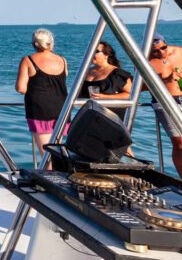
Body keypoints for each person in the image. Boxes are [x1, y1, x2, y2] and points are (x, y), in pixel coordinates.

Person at [16, 28, 68, 167]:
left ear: (34, 44)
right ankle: (61, 180)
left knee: (46, 154)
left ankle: (50, 183)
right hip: (61, 109)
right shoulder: (62, 60)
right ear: (51, 44)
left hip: (39, 110)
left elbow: (21, 88)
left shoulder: (28, 60)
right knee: (57, 151)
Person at [148, 33, 182, 178]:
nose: (161, 52)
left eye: (163, 48)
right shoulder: (147, 61)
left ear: (166, 42)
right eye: (156, 51)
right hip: (165, 101)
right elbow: (139, 86)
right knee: (179, 143)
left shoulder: (180, 52)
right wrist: (164, 79)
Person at [78, 41, 132, 122]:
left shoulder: (117, 73)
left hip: (110, 118)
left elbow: (130, 94)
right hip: (88, 116)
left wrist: (105, 97)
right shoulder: (84, 72)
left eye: (95, 51)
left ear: (106, 55)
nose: (91, 53)